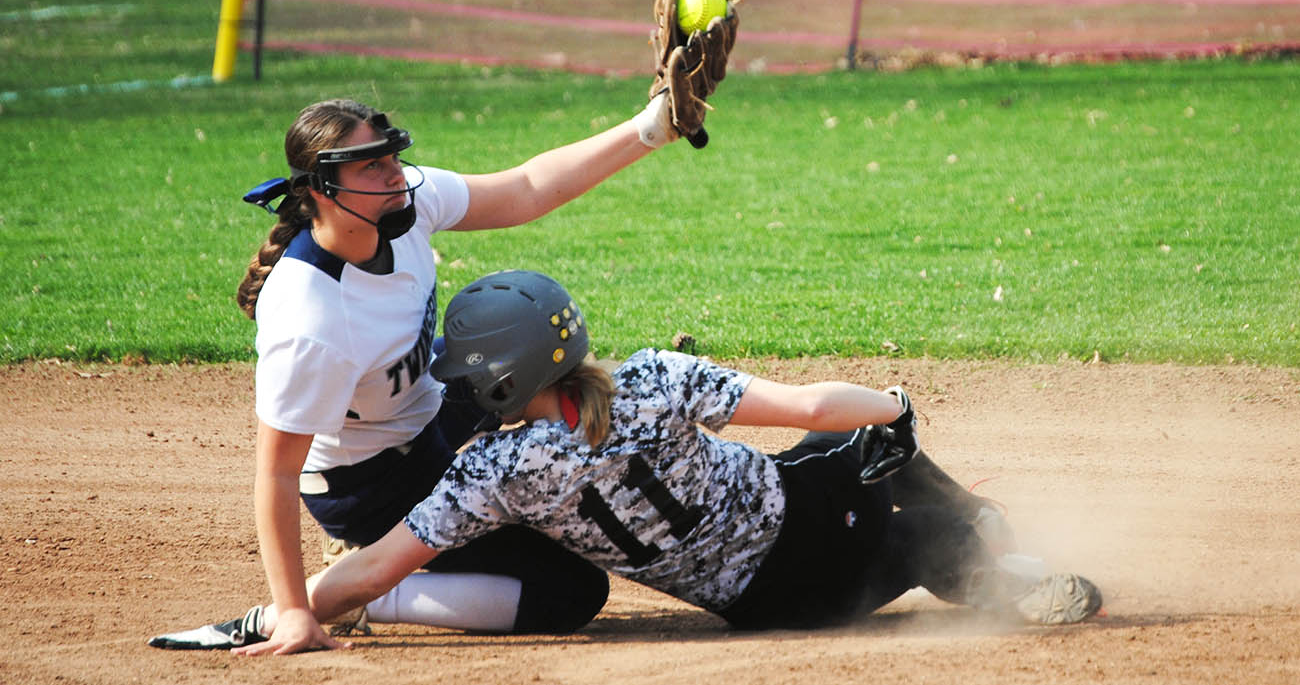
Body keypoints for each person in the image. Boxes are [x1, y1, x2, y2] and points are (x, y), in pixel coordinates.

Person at [152, 270, 1102, 654]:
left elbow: (372, 565)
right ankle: (992, 561)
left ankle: (976, 545)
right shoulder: (653, 375)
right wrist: (895, 406)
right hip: (808, 534)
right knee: (872, 453)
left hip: (759, 605)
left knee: (859, 483)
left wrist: (284, 608)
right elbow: (815, 404)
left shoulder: (489, 476)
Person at [148, 89, 694, 654]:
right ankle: (364, 590)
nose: (394, 176)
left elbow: (526, 188)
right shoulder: (310, 319)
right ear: (321, 190)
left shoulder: (399, 208)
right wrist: (291, 611)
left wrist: (650, 127)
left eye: (391, 158)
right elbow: (277, 474)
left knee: (528, 353)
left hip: (427, 405)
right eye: (372, 166)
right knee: (571, 587)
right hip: (369, 483)